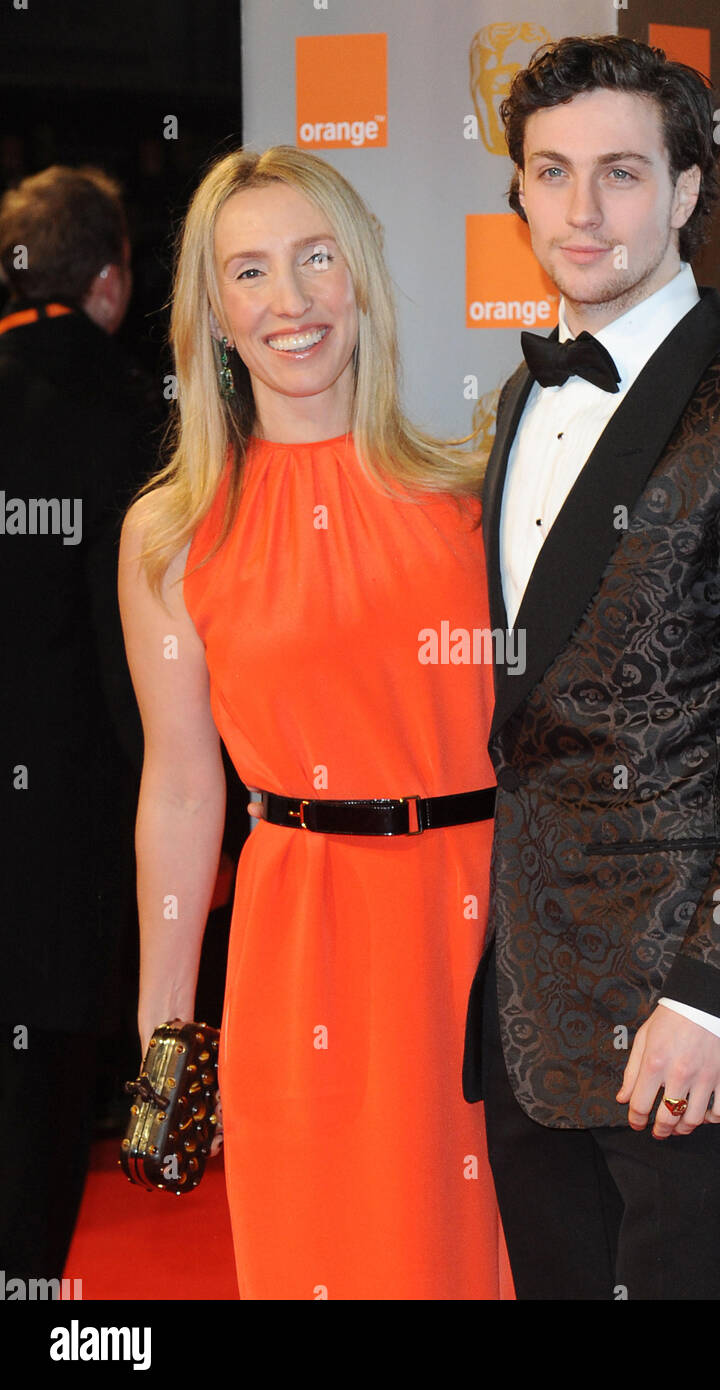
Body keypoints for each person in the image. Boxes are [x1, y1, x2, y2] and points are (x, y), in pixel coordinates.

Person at [462, 35, 720, 1300]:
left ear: (688, 190)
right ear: (518, 191)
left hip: (691, 1018)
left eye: (622, 174)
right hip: (535, 1006)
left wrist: (715, 1000)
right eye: (551, 172)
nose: (581, 212)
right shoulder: (518, 405)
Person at [119, 145, 506, 1300]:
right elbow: (184, 789)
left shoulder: (469, 496)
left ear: (361, 281)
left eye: (313, 259)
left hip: (485, 942)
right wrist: (165, 1019)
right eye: (249, 272)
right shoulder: (173, 534)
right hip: (303, 953)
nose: (288, 301)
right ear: (214, 314)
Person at [0, 165, 147, 1283]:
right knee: (39, 1112)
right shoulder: (136, 410)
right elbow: (132, 656)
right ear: (108, 281)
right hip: (67, 832)